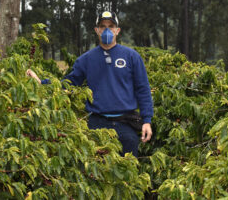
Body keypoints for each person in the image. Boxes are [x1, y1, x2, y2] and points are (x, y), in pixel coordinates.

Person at [26, 11, 153, 157]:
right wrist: (41, 83)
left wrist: (146, 121)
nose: (107, 30)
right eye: (102, 26)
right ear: (96, 30)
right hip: (96, 123)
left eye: (111, 26)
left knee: (129, 166)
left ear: (117, 30)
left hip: (125, 122)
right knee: (94, 166)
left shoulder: (131, 57)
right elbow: (70, 82)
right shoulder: (86, 59)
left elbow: (143, 89)